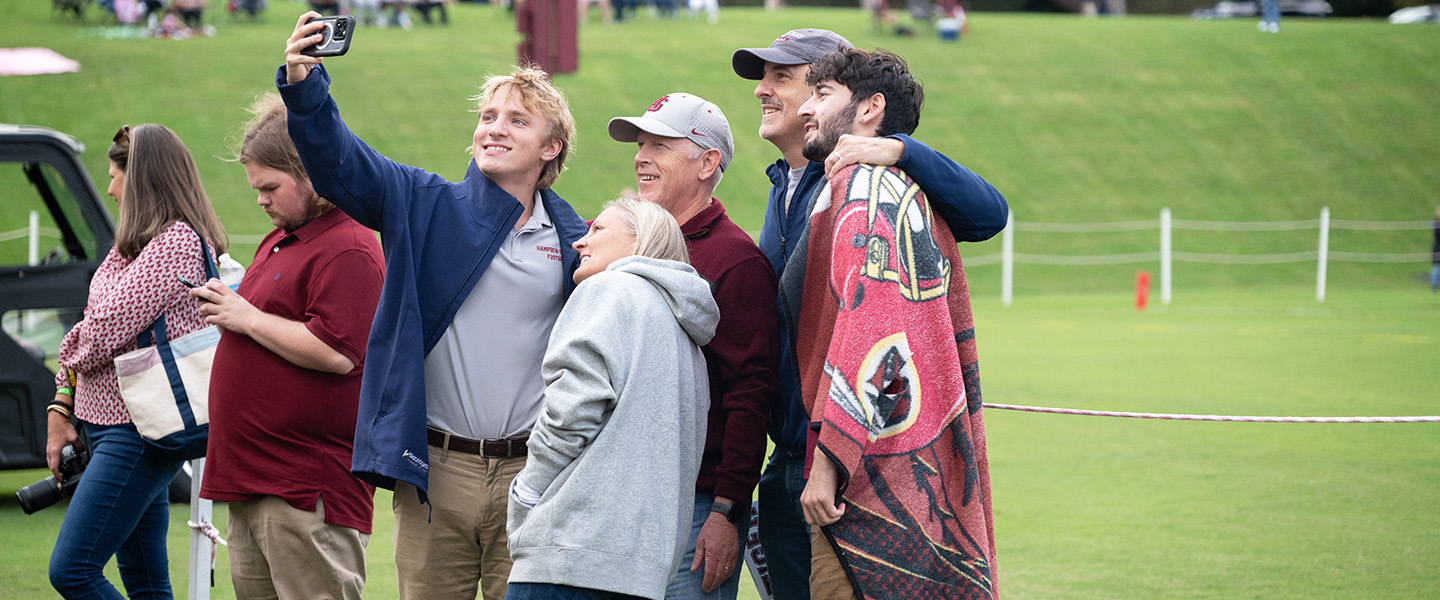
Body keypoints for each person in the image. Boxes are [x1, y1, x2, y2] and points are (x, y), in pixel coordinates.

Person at [279, 13, 588, 600]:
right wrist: (305, 83)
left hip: (538, 474)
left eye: (517, 120)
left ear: (551, 147)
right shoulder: (423, 202)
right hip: (437, 471)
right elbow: (340, 163)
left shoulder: (579, 241)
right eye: (487, 117)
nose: (494, 129)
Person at [730, 28, 1007, 599]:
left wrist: (902, 150)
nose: (766, 91)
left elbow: (988, 214)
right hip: (787, 459)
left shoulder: (864, 183)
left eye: (783, 77)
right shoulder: (786, 183)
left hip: (839, 463)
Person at [191, 94, 385, 600]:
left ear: (311, 174)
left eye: (271, 187)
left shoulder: (350, 245)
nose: (261, 200)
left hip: (303, 486)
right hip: (253, 477)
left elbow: (337, 351)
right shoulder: (282, 239)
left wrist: (248, 318)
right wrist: (232, 317)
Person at [607, 93, 779, 600]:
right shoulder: (626, 244)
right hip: (618, 499)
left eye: (660, 145)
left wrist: (727, 511)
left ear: (707, 163)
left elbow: (751, 396)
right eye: (640, 144)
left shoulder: (736, 261)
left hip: (694, 508)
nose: (641, 156)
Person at [46, 123, 228, 600]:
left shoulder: (177, 244)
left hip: (139, 432)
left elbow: (101, 333)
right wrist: (61, 406)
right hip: (112, 426)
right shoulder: (132, 248)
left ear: (145, 179)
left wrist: (71, 351)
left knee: (73, 570)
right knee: (147, 586)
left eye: (115, 175)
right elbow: (94, 326)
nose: (109, 187)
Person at [506, 198, 719, 600]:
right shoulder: (684, 331)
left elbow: (570, 412)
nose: (579, 243)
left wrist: (526, 493)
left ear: (640, 239)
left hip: (571, 556)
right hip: (642, 570)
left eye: (598, 230)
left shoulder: (608, 289)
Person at [1431, 206, 1439, 293]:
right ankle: (1434, 286)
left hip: (1436, 247)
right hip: (1437, 248)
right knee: (1436, 267)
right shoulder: (1436, 223)